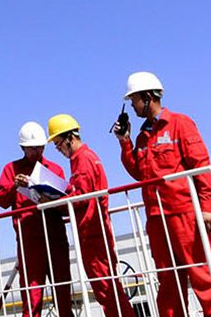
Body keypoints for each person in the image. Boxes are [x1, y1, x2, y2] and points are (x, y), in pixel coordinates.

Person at [113, 72, 211, 317]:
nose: (132, 106)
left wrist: (206, 207)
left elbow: (201, 165)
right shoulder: (142, 136)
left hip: (184, 213)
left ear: (147, 97)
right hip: (157, 218)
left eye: (133, 100)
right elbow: (140, 173)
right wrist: (125, 141)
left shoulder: (180, 123)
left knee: (203, 276)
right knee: (168, 283)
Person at [48, 114, 136, 317]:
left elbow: (81, 197)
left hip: (93, 232)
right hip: (94, 231)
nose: (58, 149)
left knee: (107, 290)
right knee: (108, 289)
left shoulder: (83, 159)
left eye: (58, 143)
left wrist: (52, 201)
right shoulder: (85, 158)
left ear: (70, 138)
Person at [0, 122, 77, 317]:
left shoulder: (55, 169)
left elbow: (67, 205)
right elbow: (1, 200)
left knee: (63, 292)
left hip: (56, 238)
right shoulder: (11, 169)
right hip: (29, 242)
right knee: (32, 297)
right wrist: (14, 186)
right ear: (23, 148)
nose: (37, 151)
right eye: (32, 148)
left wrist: (51, 199)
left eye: (40, 147)